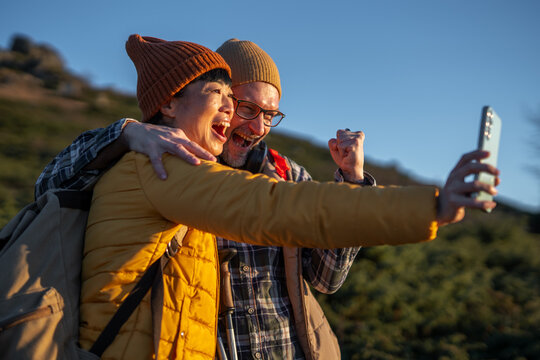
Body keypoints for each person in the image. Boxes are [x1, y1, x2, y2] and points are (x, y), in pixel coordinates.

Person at [37, 37, 499, 360]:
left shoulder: (286, 174)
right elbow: (49, 188)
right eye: (243, 106)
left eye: (270, 115)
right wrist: (125, 132)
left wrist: (353, 182)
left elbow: (326, 279)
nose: (256, 126)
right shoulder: (162, 159)